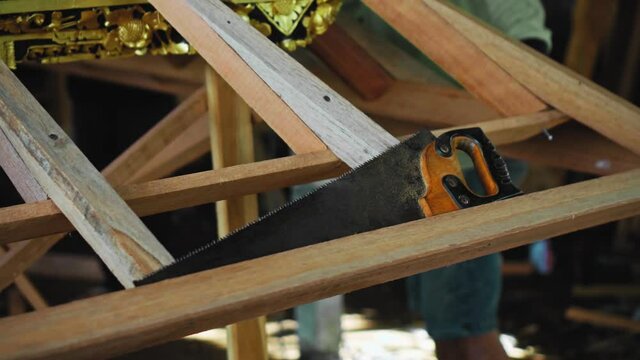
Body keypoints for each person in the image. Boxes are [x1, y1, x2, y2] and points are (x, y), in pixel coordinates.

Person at [295, 1, 553, 359]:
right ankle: (317, 346)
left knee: (465, 328)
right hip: (393, 139)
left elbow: (530, 53)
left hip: (470, 147)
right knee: (447, 325)